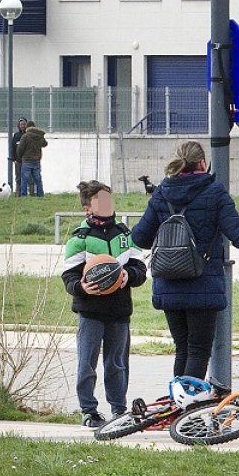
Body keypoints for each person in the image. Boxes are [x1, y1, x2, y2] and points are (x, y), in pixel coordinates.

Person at [130, 140, 239, 381]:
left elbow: (139, 237)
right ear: (203, 162)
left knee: (182, 349)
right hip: (202, 282)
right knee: (198, 351)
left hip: (168, 282)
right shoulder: (214, 191)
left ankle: (177, 408)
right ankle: (188, 410)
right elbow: (238, 235)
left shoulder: (161, 193)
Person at [61, 180, 147, 428]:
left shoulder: (125, 235)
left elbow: (139, 268)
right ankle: (89, 410)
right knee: (87, 363)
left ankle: (119, 409)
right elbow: (69, 275)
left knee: (117, 363)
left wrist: (128, 276)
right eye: (101, 200)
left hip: (119, 312)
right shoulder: (80, 238)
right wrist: (81, 288)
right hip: (91, 312)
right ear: (88, 208)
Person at [16, 120, 47, 197]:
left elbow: (20, 149)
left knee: (24, 179)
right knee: (38, 179)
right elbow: (45, 144)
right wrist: (41, 135)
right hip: (36, 161)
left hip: (26, 160)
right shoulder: (39, 136)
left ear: (27, 127)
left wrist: (20, 156)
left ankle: (24, 195)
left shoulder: (25, 136)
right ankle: (40, 195)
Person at [10, 117, 28, 194]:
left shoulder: (28, 135)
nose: (22, 126)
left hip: (27, 161)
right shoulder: (16, 135)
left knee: (28, 177)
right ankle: (18, 193)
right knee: (18, 178)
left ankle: (28, 193)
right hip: (18, 161)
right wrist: (13, 159)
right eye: (21, 124)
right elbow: (12, 147)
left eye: (24, 124)